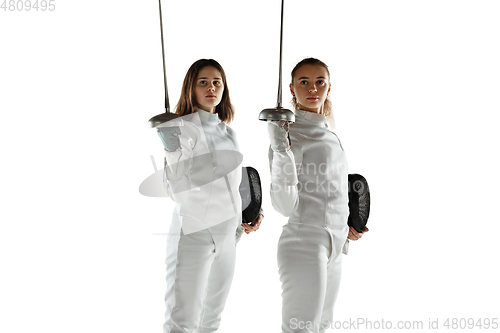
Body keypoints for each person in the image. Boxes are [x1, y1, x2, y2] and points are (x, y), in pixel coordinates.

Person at [157, 59, 264, 333]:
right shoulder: (182, 129)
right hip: (193, 233)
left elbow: (235, 183)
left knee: (211, 320)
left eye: (217, 81)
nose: (211, 87)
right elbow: (177, 192)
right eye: (203, 82)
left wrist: (249, 212)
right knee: (183, 321)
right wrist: (172, 149)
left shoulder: (229, 132)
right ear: (190, 88)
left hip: (227, 235)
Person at [267, 57, 369, 333]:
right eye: (304, 82)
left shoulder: (331, 136)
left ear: (329, 87)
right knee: (300, 329)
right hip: (304, 242)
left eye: (319, 82)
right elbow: (284, 205)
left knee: (321, 327)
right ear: (291, 89)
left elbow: (332, 191)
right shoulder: (288, 134)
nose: (313, 89)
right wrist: (281, 153)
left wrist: (348, 225)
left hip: (334, 244)